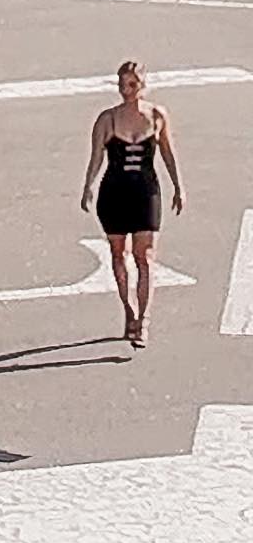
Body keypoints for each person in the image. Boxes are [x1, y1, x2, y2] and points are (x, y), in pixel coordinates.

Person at [81, 60, 184, 348]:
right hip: (114, 193)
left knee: (145, 256)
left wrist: (178, 186)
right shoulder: (107, 119)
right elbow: (96, 157)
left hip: (146, 192)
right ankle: (129, 311)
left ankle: (144, 320)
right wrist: (88, 186)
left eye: (132, 84)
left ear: (143, 85)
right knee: (118, 255)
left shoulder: (157, 115)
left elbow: (167, 152)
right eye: (122, 84)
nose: (127, 90)